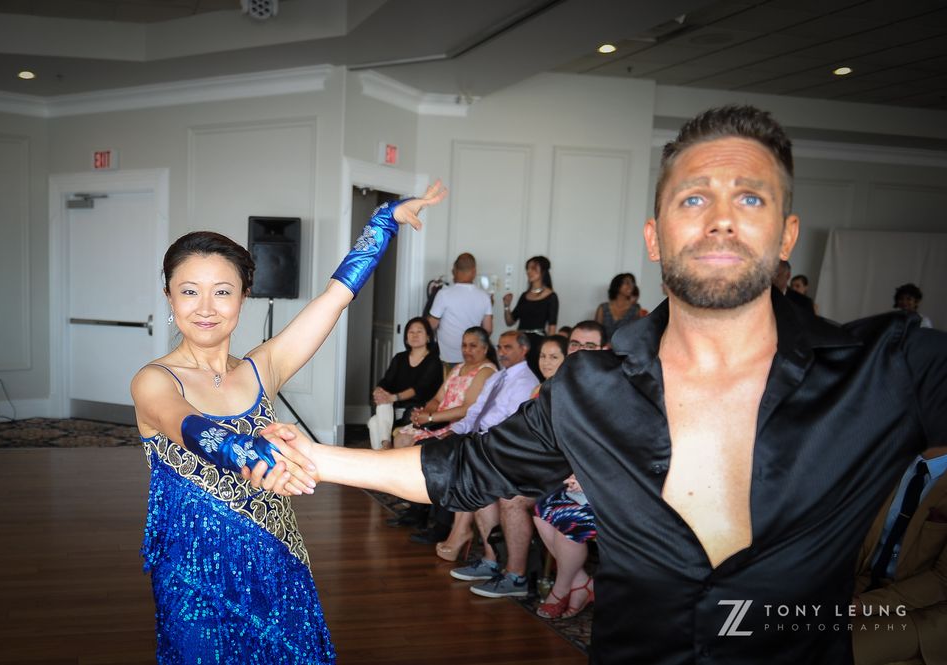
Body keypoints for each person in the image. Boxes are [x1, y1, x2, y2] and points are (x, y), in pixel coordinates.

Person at [250, 106, 947, 665]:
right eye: (694, 197)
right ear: (654, 236)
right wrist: (312, 457)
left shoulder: (888, 367)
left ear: (786, 234)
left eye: (750, 197)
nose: (721, 217)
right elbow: (466, 469)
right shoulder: (592, 387)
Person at [130, 181, 446, 662]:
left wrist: (384, 223)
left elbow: (335, 298)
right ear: (170, 298)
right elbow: (191, 427)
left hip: (277, 556)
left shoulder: (262, 368)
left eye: (222, 292)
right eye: (189, 291)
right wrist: (250, 452)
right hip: (194, 574)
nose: (206, 308)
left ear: (244, 297)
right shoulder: (154, 381)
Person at [434, 331, 538, 602]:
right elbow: (475, 411)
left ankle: (511, 573)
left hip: (499, 446)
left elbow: (510, 425)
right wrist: (454, 431)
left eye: (508, 347)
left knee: (477, 474)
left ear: (524, 349)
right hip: (480, 440)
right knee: (463, 472)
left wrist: (480, 442)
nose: (501, 352)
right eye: (500, 347)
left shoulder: (527, 382)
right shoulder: (497, 377)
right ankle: (491, 560)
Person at [851, 446, 947, 665]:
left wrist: (863, 604)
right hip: (865, 582)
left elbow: (943, 580)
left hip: (927, 611)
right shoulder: (887, 456)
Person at [532, 326, 601, 620]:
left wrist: (587, 475)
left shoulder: (612, 387)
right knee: (541, 511)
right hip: (575, 474)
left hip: (610, 483)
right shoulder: (563, 385)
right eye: (575, 343)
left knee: (566, 519)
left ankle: (560, 591)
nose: (581, 350)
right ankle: (581, 583)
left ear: (604, 350)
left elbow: (620, 445)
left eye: (590, 345)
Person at [391, 326, 496, 448]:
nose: (467, 350)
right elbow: (437, 399)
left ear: (485, 348)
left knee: (412, 445)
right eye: (464, 345)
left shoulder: (486, 371)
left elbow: (466, 410)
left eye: (473, 346)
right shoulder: (458, 368)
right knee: (401, 438)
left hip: (457, 426)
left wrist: (430, 418)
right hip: (437, 421)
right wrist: (424, 414)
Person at [367, 317, 442, 450]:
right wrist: (378, 391)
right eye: (411, 332)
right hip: (395, 408)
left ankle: (383, 453)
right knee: (382, 406)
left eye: (419, 331)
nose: (415, 335)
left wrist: (393, 397)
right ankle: (386, 445)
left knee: (374, 422)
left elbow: (419, 388)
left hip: (417, 410)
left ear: (428, 337)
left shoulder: (433, 361)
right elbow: (386, 381)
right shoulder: (399, 358)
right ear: (406, 338)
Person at [427, 253, 493, 366]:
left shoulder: (444, 294)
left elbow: (432, 325)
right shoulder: (484, 297)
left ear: (455, 270)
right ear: (474, 271)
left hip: (448, 357)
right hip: (473, 357)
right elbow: (488, 330)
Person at [503, 256, 559, 378]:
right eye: (528, 269)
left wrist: (548, 350)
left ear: (543, 271)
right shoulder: (524, 296)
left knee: (535, 375)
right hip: (520, 342)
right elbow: (510, 321)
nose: (529, 272)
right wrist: (507, 306)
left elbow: (552, 328)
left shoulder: (551, 296)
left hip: (537, 343)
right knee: (516, 374)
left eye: (533, 269)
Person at [594, 273, 642, 341]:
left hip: (625, 346)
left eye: (632, 283)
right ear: (617, 285)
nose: (631, 286)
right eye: (627, 283)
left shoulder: (635, 309)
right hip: (604, 346)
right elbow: (596, 332)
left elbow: (637, 333)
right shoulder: (603, 308)